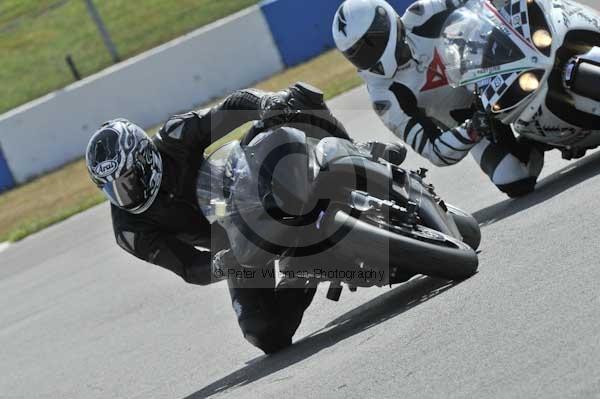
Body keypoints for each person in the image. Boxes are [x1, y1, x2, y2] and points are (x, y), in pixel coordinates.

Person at [85, 82, 351, 354]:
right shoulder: (129, 230)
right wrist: (220, 265)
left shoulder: (175, 136)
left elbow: (230, 108)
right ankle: (307, 265)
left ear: (144, 158)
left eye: (128, 181)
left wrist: (264, 102)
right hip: (236, 248)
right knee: (265, 333)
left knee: (283, 114)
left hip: (250, 185)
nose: (124, 195)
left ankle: (349, 153)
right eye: (111, 189)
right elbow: (188, 267)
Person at [332, 0, 544, 197]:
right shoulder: (383, 95)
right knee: (514, 179)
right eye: (356, 55)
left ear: (387, 23)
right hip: (474, 118)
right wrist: (473, 128)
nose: (368, 57)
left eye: (371, 43)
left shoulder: (423, 14)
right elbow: (436, 151)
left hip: (499, 68)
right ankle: (539, 138)